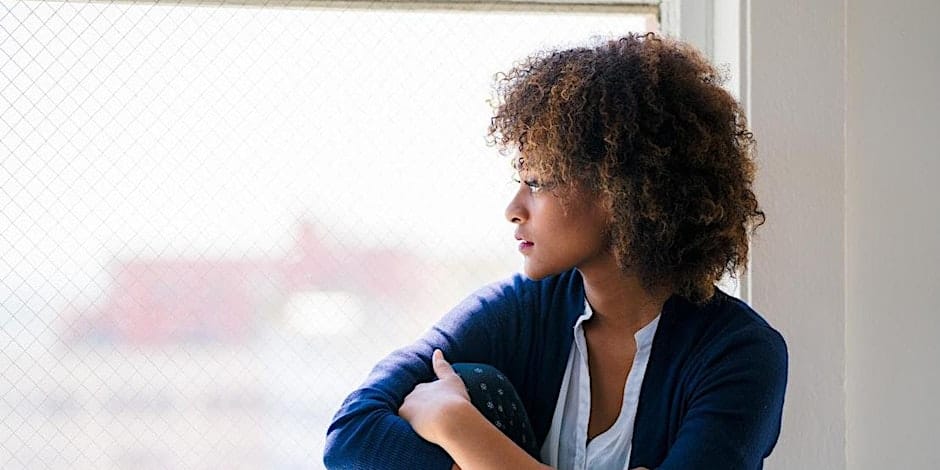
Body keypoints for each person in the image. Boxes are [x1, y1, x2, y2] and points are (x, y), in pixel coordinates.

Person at [324, 32, 787, 470]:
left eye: (538, 182)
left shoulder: (739, 353)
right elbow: (350, 436)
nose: (513, 209)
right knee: (472, 379)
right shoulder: (518, 311)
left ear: (617, 190)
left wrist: (458, 427)